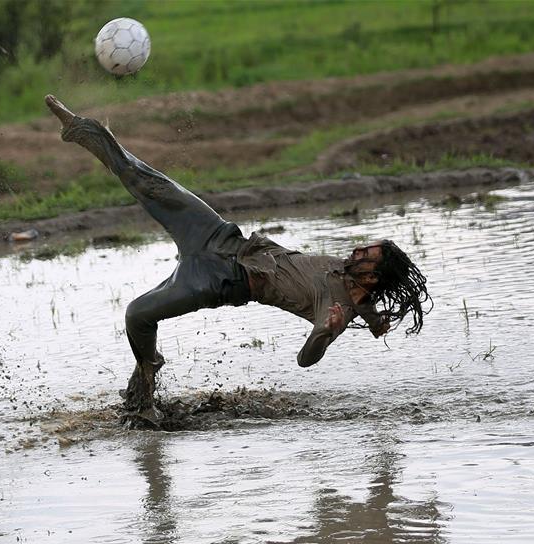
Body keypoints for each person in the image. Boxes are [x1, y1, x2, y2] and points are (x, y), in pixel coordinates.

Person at [45, 95, 431, 428]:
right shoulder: (348, 277)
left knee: (136, 315)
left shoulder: (339, 310)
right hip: (222, 236)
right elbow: (374, 314)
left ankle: (147, 374)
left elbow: (306, 360)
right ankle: (82, 130)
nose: (357, 250)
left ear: (375, 274)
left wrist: (325, 333)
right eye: (364, 247)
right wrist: (379, 321)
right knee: (151, 182)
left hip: (220, 279)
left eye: (366, 254)